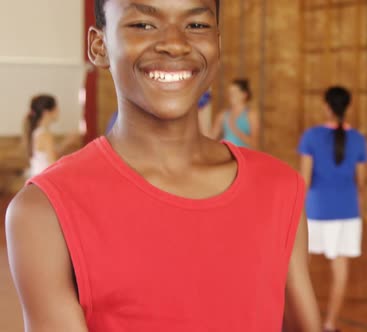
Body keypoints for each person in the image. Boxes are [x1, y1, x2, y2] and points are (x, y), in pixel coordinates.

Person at [6, 1, 321, 331]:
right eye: (143, 25)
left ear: (217, 42)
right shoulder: (44, 211)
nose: (174, 43)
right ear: (99, 46)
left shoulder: (279, 187)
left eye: (196, 25)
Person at [298, 86, 367, 332]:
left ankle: (303, 323)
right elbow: (361, 183)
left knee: (299, 270)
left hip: (316, 211)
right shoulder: (359, 139)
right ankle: (329, 325)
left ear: (326, 106)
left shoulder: (311, 136)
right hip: (348, 212)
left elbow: (304, 179)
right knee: (340, 272)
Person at [23, 95, 80, 177]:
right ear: (46, 112)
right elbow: (53, 165)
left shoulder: (38, 132)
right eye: (56, 108)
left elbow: (47, 155)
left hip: (38, 178)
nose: (59, 110)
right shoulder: (45, 135)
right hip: (43, 182)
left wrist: (66, 143)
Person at [210, 78, 260, 148]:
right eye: (230, 93)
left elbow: (254, 144)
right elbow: (211, 138)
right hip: (226, 155)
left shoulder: (251, 115)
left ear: (244, 95)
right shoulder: (222, 115)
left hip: (244, 155)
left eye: (235, 92)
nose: (231, 95)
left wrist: (236, 130)